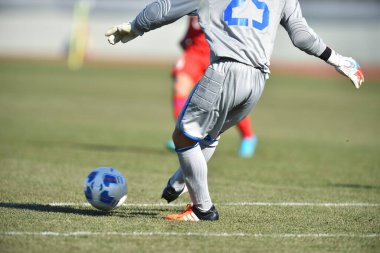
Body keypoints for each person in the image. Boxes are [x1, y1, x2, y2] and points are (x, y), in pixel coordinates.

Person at [105, 0, 364, 221]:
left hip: (225, 71)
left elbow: (165, 8)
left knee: (182, 138)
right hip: (258, 80)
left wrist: (135, 27)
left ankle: (202, 210)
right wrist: (338, 60)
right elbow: (301, 36)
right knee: (210, 135)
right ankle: (180, 181)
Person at [167, 15, 257, 157]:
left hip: (219, 52)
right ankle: (184, 135)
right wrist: (186, 36)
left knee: (230, 98)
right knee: (180, 87)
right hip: (194, 51)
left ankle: (248, 137)